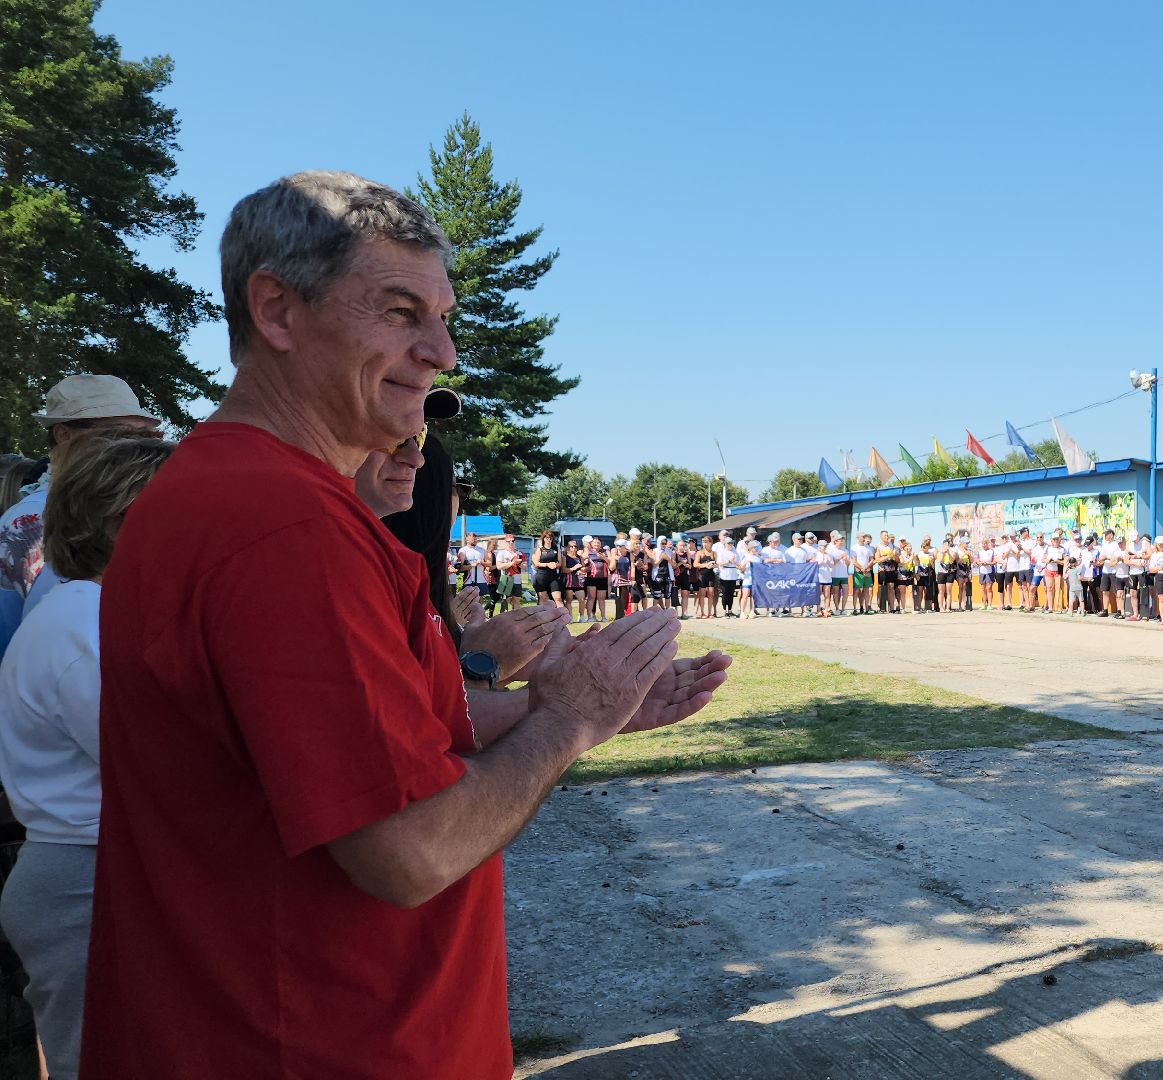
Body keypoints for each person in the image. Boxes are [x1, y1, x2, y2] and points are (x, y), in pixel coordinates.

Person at [82, 171, 729, 1079]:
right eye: (399, 311)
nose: (442, 352)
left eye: (443, 316)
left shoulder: (256, 498)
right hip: (317, 1044)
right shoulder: (283, 524)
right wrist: (567, 722)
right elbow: (409, 850)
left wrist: (581, 702)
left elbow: (384, 733)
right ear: (276, 309)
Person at [0, 436, 172, 1080]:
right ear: (125, 521)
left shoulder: (92, 612)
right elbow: (157, 764)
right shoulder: (85, 622)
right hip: (83, 875)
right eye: (181, 513)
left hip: (91, 869)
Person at [1, 375, 162, 661]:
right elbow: (71, 644)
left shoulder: (95, 507)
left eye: (147, 437)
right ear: (64, 435)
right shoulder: (36, 520)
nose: (135, 448)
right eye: (118, 435)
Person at [532, 531, 563, 610]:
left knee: (558, 597)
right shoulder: (540, 549)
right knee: (543, 598)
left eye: (550, 538)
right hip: (542, 575)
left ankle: (562, 615)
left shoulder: (556, 548)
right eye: (547, 538)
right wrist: (547, 564)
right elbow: (536, 563)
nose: (549, 540)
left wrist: (555, 564)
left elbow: (560, 563)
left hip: (553, 575)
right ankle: (541, 615)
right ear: (543, 539)